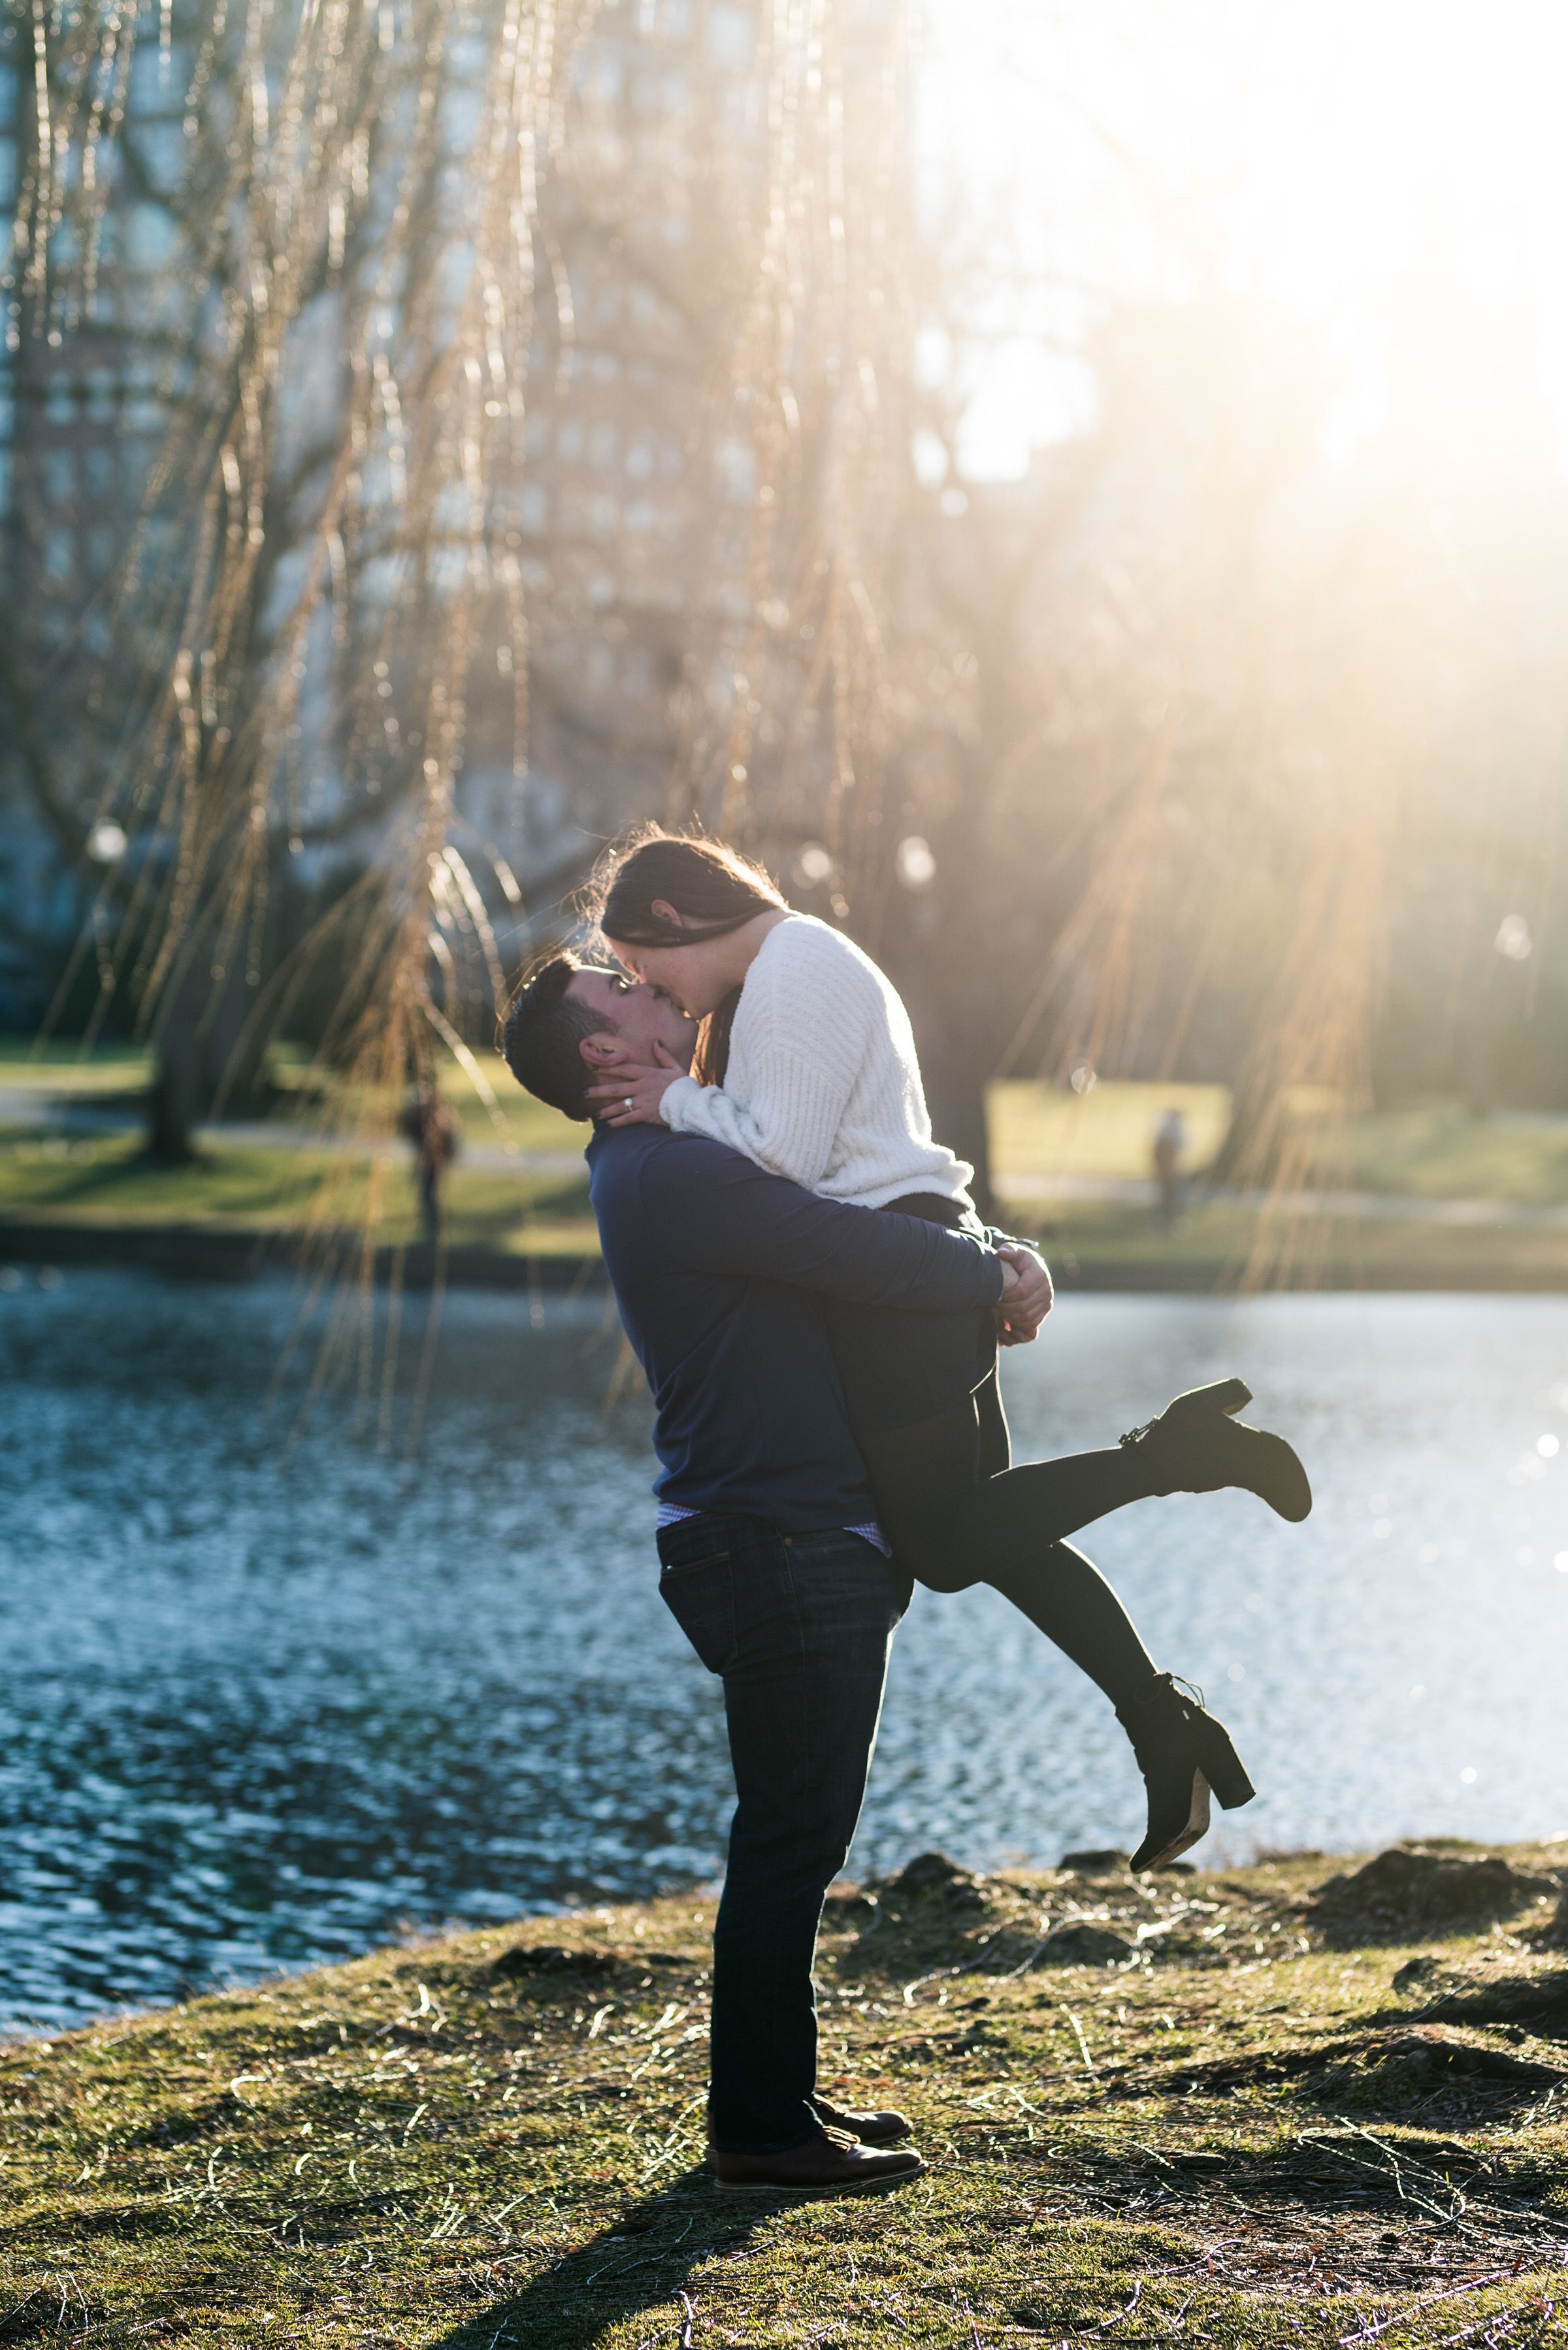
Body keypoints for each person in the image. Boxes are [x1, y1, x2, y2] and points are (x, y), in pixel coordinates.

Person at [500, 956, 1301, 2194]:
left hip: (797, 1534)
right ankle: (762, 2133)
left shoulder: (683, 1149)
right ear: (603, 1057)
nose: (655, 988)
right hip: (775, 1543)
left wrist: (999, 1250)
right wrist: (994, 1276)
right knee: (790, 1838)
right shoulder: (671, 1170)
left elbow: (871, 1195)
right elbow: (845, 1247)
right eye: (625, 990)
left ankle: (778, 2100)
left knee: (830, 1776)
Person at [576, 829, 1309, 1866]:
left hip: (898, 1293)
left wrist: (671, 1100)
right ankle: (1163, 1728)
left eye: (653, 972)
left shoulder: (792, 970)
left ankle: (1176, 1458)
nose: (671, 1001)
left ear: (677, 920)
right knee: (1003, 1534)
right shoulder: (791, 970)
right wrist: (993, 1250)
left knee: (944, 1546)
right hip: (920, 1257)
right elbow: (861, 1142)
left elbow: (781, 1157)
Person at [1152, 1105, 1188, 1232]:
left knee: (1173, 1199)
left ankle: (1170, 1223)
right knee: (1167, 1199)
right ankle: (1166, 1224)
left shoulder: (1167, 1133)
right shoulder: (1167, 1136)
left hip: (1172, 1172)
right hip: (1168, 1173)